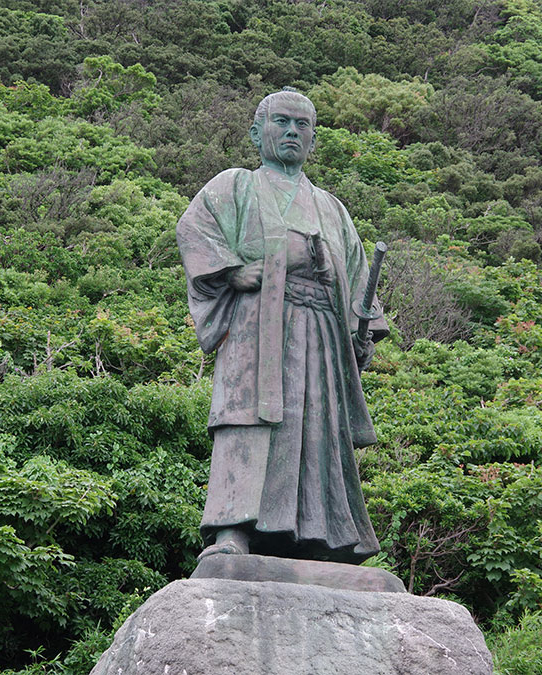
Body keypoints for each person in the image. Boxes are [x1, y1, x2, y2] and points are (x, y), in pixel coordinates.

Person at [176, 88, 388, 564]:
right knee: (248, 419)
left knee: (316, 428)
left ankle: (318, 536)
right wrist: (233, 271)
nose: (292, 131)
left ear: (313, 138)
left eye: (302, 125)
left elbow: (358, 278)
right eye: (281, 122)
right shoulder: (234, 186)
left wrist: (363, 330)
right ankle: (232, 529)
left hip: (321, 334)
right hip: (257, 327)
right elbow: (195, 231)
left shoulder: (331, 208)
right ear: (257, 132)